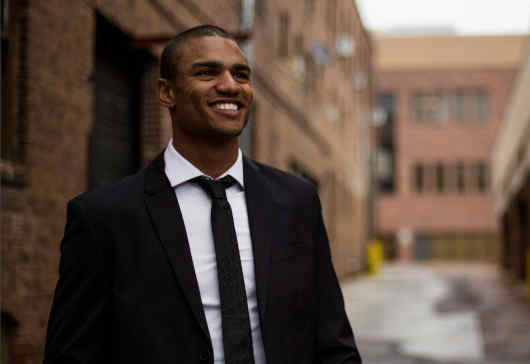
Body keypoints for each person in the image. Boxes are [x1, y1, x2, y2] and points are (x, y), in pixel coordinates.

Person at [43, 25, 361, 364]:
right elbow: (72, 354)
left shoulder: (295, 201)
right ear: (167, 93)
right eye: (207, 72)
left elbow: (333, 341)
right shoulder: (103, 218)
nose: (229, 85)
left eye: (241, 75)